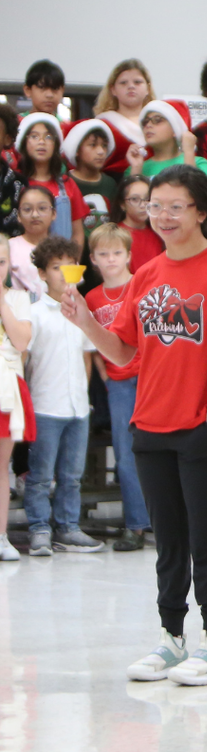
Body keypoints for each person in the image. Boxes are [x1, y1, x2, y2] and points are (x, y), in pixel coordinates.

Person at [61, 165, 207, 685]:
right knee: (168, 540)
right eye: (155, 205)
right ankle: (172, 638)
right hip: (149, 425)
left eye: (175, 206)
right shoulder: (146, 275)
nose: (163, 216)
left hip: (203, 428)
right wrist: (85, 320)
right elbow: (124, 350)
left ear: (200, 210)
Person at [24, 237, 104, 556]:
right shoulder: (34, 314)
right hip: (44, 405)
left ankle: (68, 527)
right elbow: (25, 359)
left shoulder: (82, 312)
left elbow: (87, 358)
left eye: (69, 265)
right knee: (41, 474)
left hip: (78, 408)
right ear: (43, 274)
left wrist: (83, 397)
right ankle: (39, 528)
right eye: (56, 267)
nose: (63, 272)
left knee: (72, 474)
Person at [84, 223, 150, 552]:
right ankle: (136, 526)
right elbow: (93, 343)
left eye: (117, 253)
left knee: (163, 449)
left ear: (128, 255)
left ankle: (168, 522)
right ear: (93, 259)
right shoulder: (93, 297)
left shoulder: (142, 285)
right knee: (125, 455)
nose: (111, 260)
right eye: (103, 254)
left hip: (152, 378)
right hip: (119, 381)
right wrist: (105, 375)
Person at [0, 234, 34, 562]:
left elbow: (22, 341)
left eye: (0, 262)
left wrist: (1, 301)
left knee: (2, 465)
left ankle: (1, 536)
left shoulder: (20, 298)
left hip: (6, 388)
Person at [16, 113, 87, 254]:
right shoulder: (15, 183)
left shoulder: (68, 185)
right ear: (25, 142)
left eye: (48, 137)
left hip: (62, 266)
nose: (41, 142)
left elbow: (78, 233)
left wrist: (72, 265)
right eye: (34, 136)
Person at [94, 59, 155, 176]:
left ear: (148, 88)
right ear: (113, 90)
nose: (131, 86)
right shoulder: (103, 124)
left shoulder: (161, 124)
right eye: (123, 83)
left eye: (137, 82)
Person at [62, 119, 118, 236]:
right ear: (77, 149)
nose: (101, 151)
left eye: (104, 146)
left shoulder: (110, 184)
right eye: (93, 145)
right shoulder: (65, 183)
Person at [129, 100, 207, 178]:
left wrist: (189, 152)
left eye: (157, 120)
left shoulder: (199, 163)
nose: (148, 125)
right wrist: (136, 169)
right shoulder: (134, 168)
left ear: (175, 129)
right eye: (145, 122)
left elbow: (195, 190)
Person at [9, 187, 55, 301]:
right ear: (18, 216)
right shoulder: (9, 247)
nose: (35, 215)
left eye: (42, 208)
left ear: (53, 213)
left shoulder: (63, 248)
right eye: (27, 209)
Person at [113, 175, 164, 274]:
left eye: (147, 199)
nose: (142, 205)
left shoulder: (160, 232)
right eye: (135, 199)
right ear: (122, 204)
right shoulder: (115, 235)